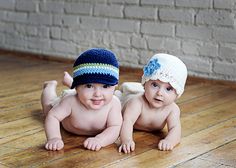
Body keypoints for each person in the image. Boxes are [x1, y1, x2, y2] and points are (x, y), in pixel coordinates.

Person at [41, 48, 122, 151]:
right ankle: (49, 86)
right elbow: (53, 116)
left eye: (105, 86)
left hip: (82, 94)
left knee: (88, 91)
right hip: (75, 97)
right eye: (89, 86)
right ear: (77, 87)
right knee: (48, 108)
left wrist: (99, 140)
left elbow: (115, 127)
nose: (98, 94)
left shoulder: (113, 104)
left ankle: (72, 82)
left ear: (115, 86)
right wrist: (54, 138)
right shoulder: (70, 102)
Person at [117, 53, 188, 153]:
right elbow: (127, 122)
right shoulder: (137, 103)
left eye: (168, 89)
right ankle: (126, 90)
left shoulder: (172, 110)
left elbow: (175, 129)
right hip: (127, 99)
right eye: (155, 85)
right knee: (119, 99)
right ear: (145, 84)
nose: (159, 93)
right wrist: (126, 140)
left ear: (177, 94)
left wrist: (170, 141)